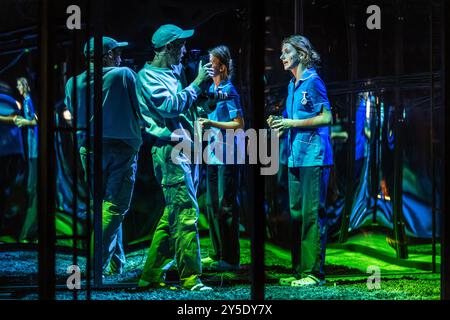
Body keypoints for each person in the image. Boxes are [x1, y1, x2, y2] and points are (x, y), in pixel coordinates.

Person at [136, 24, 214, 291]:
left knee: (174, 212)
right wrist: (195, 84)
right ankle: (191, 277)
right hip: (170, 151)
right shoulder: (147, 76)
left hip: (185, 147)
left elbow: (184, 106)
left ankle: (150, 275)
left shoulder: (173, 72)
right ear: (168, 47)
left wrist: (202, 95)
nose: (184, 51)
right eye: (180, 46)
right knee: (185, 213)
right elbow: (169, 107)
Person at [64, 36, 143, 275]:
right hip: (121, 147)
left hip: (89, 149)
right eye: (117, 52)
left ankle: (116, 263)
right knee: (115, 206)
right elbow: (139, 106)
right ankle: (95, 267)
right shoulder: (125, 75)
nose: (120, 57)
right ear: (107, 55)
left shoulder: (72, 83)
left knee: (104, 203)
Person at [267, 35, 333, 286]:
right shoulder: (292, 85)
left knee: (311, 214)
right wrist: (279, 123)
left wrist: (291, 123)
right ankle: (299, 270)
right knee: (296, 213)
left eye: (286, 52)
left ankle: (314, 273)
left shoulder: (314, 82)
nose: (281, 57)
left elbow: (326, 117)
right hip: (295, 157)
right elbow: (289, 118)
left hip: (313, 157)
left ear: (302, 54)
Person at [197, 45, 244, 271]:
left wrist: (211, 123)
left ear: (222, 67)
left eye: (211, 62)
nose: (207, 65)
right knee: (212, 203)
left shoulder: (229, 90)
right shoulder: (211, 89)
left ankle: (231, 258)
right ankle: (217, 253)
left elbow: (239, 124)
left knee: (226, 206)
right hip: (214, 154)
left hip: (229, 155)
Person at [14, 78, 38, 243]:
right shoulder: (25, 101)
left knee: (33, 187)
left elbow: (36, 120)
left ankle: (31, 229)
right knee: (30, 187)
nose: (18, 87)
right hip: (31, 150)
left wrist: (23, 121)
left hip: (35, 150)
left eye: (19, 84)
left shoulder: (29, 101)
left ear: (25, 86)